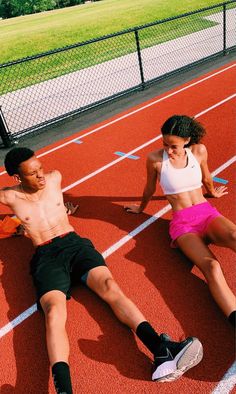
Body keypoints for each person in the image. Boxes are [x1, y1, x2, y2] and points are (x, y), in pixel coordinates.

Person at [0, 147, 203, 394]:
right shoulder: (9, 197)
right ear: (18, 178)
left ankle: (161, 350)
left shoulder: (54, 178)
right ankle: (64, 390)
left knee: (110, 287)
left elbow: (50, 201)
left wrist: (63, 211)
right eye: (33, 173)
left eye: (40, 168)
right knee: (53, 312)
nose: (41, 175)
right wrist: (13, 227)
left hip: (74, 244)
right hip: (46, 256)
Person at [125, 114, 236, 328]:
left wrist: (212, 192)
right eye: (165, 144)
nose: (168, 150)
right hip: (183, 225)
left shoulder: (199, 151)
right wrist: (140, 208)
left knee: (234, 235)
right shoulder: (155, 160)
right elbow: (149, 188)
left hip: (206, 213)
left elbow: (206, 177)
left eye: (173, 146)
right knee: (212, 267)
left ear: (187, 140)